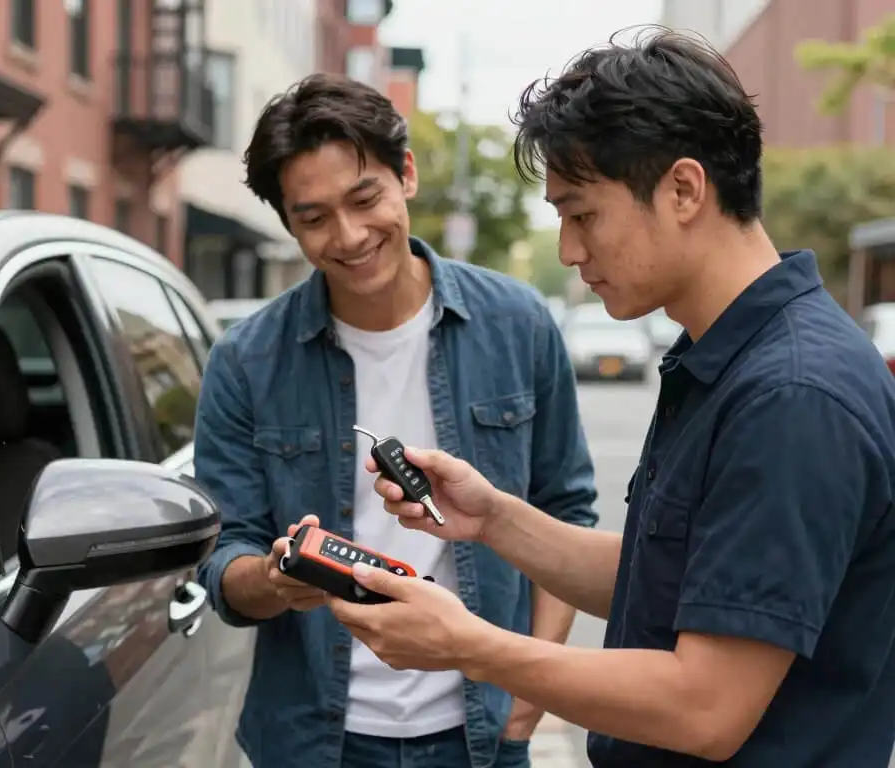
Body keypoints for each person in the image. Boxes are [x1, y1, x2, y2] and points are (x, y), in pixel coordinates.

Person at [327, 28, 895, 768]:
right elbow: (665, 583)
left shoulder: (792, 395)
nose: (568, 250)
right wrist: (493, 518)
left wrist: (470, 646)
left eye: (582, 213)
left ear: (684, 190)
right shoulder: (727, 358)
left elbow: (704, 705)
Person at [194, 73, 598, 768]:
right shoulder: (244, 361)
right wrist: (275, 580)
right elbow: (223, 556)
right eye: (314, 218)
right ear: (287, 224)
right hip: (311, 743)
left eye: (364, 198)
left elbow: (566, 511)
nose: (349, 236)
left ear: (404, 174)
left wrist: (529, 689)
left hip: (481, 734)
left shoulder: (518, 324)